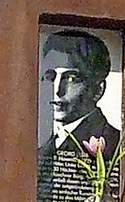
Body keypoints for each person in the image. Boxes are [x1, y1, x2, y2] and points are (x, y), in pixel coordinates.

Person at [38, 30, 120, 159]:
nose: (57, 90)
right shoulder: (42, 149)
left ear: (98, 90)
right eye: (50, 77)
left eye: (71, 78)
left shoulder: (115, 144)